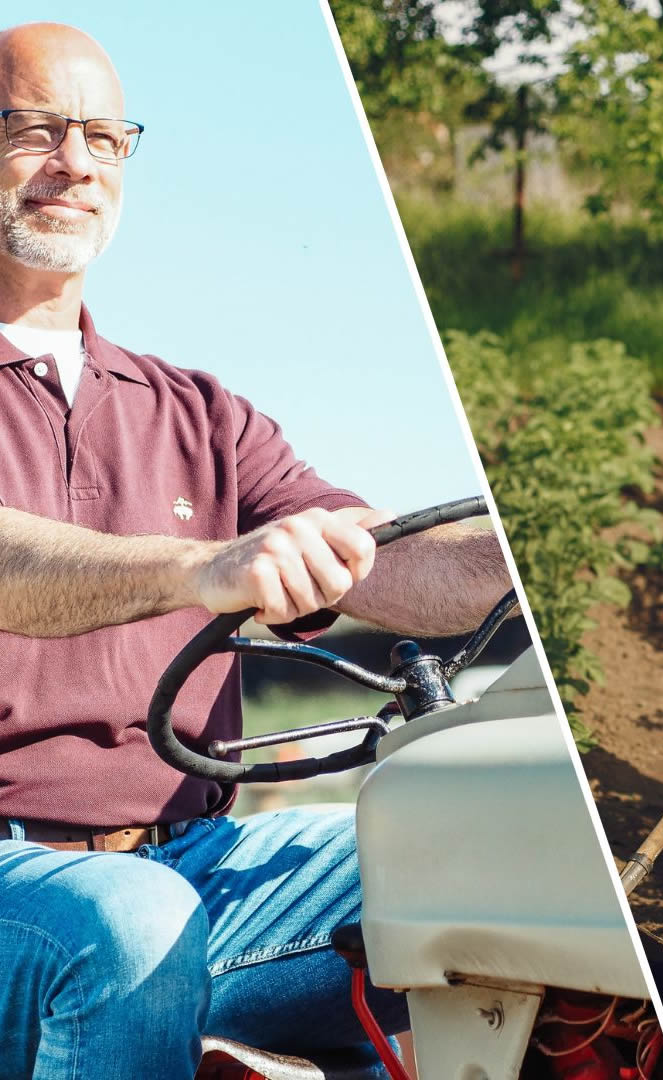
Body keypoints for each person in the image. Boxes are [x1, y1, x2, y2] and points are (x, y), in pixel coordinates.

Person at [0, 23, 515, 1079]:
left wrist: (513, 556)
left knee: (486, 854)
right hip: (27, 886)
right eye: (38, 129)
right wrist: (203, 567)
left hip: (198, 858)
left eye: (105, 136)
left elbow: (380, 554)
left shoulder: (198, 410)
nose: (77, 163)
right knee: (129, 920)